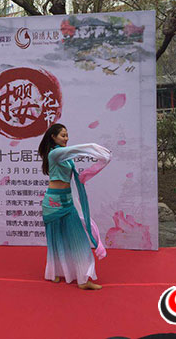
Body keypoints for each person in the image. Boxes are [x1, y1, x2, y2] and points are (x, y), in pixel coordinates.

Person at [37, 123, 112, 290]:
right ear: (53, 137)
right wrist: (96, 149)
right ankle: (54, 272)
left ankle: (83, 279)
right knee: (55, 240)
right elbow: (77, 150)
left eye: (67, 135)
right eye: (63, 135)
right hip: (53, 203)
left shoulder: (65, 156)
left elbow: (73, 157)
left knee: (79, 240)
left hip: (67, 200)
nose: (66, 138)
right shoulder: (55, 153)